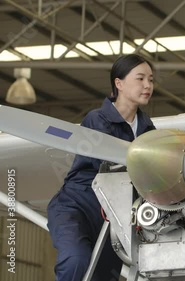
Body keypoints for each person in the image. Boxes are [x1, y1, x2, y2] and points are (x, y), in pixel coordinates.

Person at [47, 54, 156, 280]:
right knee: (76, 260)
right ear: (119, 83)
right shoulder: (96, 120)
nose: (148, 85)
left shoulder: (148, 131)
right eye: (140, 78)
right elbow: (112, 164)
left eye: (151, 80)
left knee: (106, 275)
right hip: (77, 206)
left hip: (114, 216)